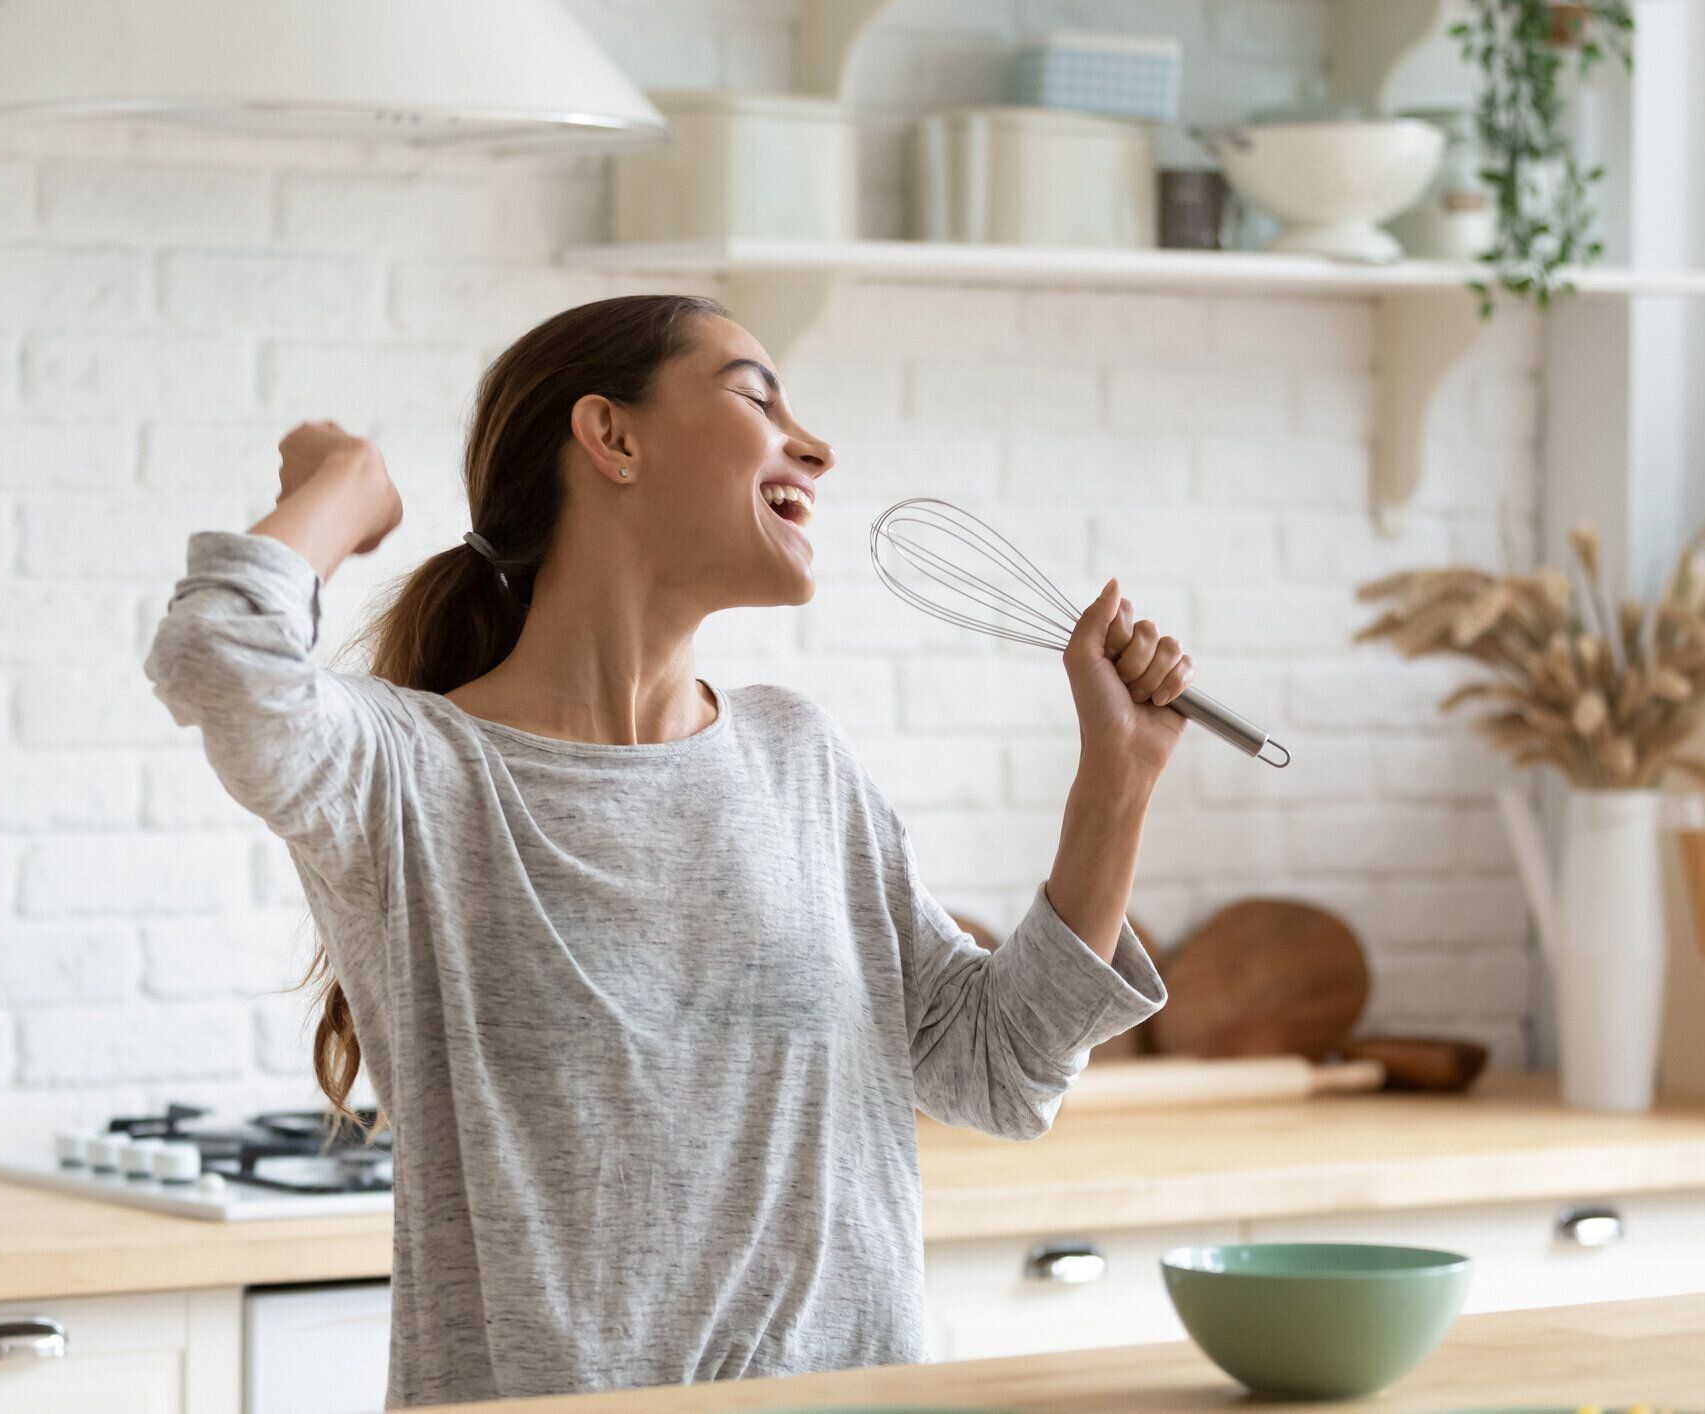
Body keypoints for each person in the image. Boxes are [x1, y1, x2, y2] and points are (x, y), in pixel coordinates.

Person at [143, 293, 1190, 1408]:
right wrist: (344, 484)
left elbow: (998, 1068)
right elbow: (220, 655)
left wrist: (1114, 783)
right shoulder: (412, 777)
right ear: (612, 437)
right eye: (755, 394)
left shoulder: (799, 760)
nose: (818, 447)